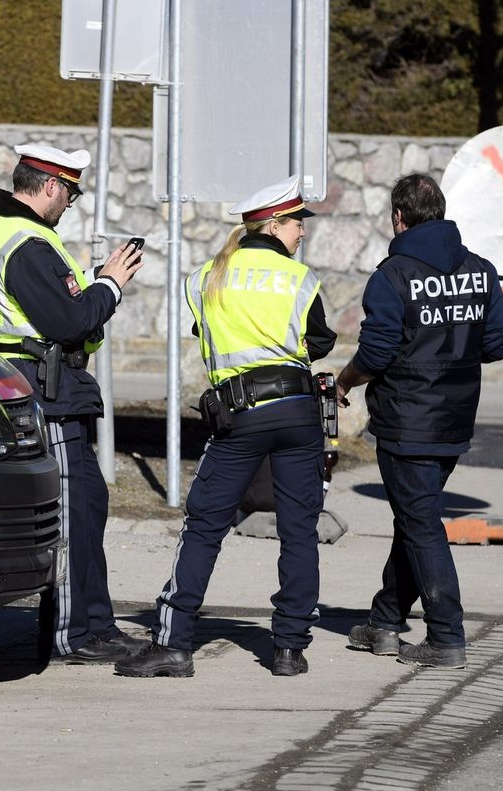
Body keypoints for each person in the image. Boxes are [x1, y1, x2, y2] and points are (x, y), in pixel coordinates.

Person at [115, 174, 336, 679]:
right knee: (299, 529)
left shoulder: (206, 277)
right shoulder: (300, 280)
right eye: (297, 222)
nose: (303, 231)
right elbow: (319, 341)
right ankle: (288, 648)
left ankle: (172, 643)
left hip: (240, 416)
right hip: (299, 414)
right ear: (274, 224)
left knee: (205, 527)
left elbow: (202, 328)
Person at [0, 143, 148, 664]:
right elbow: (69, 323)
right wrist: (110, 284)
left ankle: (95, 624)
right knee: (73, 513)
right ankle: (77, 633)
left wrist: (87, 283)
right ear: (49, 185)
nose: (71, 201)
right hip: (46, 392)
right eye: (69, 191)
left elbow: (46, 303)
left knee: (89, 504)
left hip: (31, 383)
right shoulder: (30, 243)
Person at [335, 173, 503, 669]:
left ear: (399, 217)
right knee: (416, 520)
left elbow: (376, 352)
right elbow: (497, 344)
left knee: (421, 525)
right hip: (454, 420)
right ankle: (385, 622)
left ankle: (446, 636)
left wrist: (346, 380)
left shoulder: (392, 276)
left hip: (406, 422)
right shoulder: (480, 270)